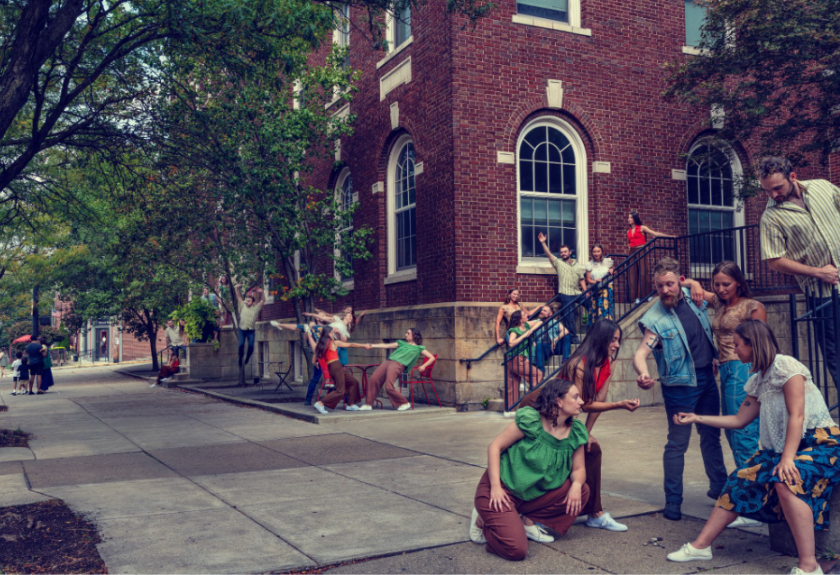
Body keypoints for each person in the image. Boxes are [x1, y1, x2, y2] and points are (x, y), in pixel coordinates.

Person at [667, 320, 840, 575]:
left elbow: (797, 416)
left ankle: (809, 566)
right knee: (739, 478)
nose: (734, 350)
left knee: (785, 479)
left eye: (737, 345)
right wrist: (696, 417)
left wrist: (788, 458)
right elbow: (738, 420)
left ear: (753, 343)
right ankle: (701, 547)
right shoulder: (759, 379)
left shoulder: (786, 366)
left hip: (819, 443)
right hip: (784, 448)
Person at [519, 319, 640, 532]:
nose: (616, 345)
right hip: (541, 408)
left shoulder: (607, 362)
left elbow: (596, 402)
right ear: (601, 338)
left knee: (592, 450)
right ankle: (532, 513)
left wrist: (586, 433)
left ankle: (595, 513)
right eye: (613, 340)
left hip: (564, 413)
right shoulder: (579, 365)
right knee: (545, 459)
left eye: (618, 340)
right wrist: (619, 405)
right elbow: (583, 403)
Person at [633, 257, 728, 521]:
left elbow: (723, 301)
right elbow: (640, 353)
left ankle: (720, 489)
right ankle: (673, 501)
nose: (665, 290)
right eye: (660, 285)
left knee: (711, 437)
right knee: (678, 444)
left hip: (707, 381)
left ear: (680, 281)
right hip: (679, 387)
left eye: (670, 284)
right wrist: (643, 373)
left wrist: (695, 283)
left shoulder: (692, 295)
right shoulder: (653, 319)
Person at [469, 379, 589, 560]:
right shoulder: (532, 421)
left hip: (529, 496)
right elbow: (494, 447)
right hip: (502, 490)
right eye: (575, 397)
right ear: (558, 401)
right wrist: (495, 487)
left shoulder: (576, 431)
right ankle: (483, 521)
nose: (581, 401)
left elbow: (579, 469)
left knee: (582, 491)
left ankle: (523, 520)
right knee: (516, 550)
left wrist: (576, 485)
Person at [757, 156, 840, 390]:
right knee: (836, 356)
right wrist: (818, 273)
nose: (773, 195)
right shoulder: (771, 217)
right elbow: (774, 260)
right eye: (767, 191)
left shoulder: (822, 187)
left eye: (777, 188)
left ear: (792, 177)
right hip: (822, 294)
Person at [684, 262, 767, 471]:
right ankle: (747, 479)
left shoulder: (752, 306)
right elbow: (683, 284)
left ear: (738, 282)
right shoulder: (720, 304)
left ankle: (750, 485)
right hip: (725, 369)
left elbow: (762, 344)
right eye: (717, 284)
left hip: (743, 368)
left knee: (743, 430)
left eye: (726, 284)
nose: (721, 289)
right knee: (732, 428)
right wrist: (694, 282)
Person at [358, 328, 435, 411]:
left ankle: (404, 402)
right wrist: (372, 346)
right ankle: (368, 404)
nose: (406, 334)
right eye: (406, 333)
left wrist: (423, 366)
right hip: (388, 362)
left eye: (408, 333)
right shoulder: (401, 343)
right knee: (373, 379)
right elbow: (386, 346)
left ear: (414, 335)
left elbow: (432, 358)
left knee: (389, 387)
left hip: (398, 365)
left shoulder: (419, 348)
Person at [538, 232, 587, 351]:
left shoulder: (578, 266)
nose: (563, 254)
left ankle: (595, 327)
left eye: (565, 251)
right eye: (561, 252)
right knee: (569, 317)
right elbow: (549, 254)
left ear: (570, 252)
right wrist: (543, 243)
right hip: (566, 294)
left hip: (578, 293)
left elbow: (582, 279)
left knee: (592, 305)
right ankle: (573, 337)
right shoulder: (558, 264)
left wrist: (586, 291)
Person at [311, 327, 370, 414]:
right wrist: (364, 345)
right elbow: (351, 344)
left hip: (333, 367)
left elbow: (313, 361)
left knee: (353, 382)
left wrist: (316, 363)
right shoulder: (334, 342)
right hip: (336, 366)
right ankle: (320, 403)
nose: (333, 334)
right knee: (340, 390)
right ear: (327, 333)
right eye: (332, 333)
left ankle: (350, 405)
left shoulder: (320, 345)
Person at [270, 318, 328, 405]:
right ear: (317, 318)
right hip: (319, 355)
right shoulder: (311, 327)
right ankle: (308, 399)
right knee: (317, 378)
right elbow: (295, 328)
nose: (322, 315)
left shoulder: (329, 327)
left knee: (334, 377)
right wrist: (279, 325)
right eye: (320, 315)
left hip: (330, 354)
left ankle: (338, 398)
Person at [626, 211, 672, 303]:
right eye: (628, 217)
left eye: (631, 217)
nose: (629, 219)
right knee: (632, 275)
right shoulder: (629, 231)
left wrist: (670, 236)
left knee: (643, 273)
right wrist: (629, 252)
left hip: (641, 250)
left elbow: (654, 234)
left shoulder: (642, 228)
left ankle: (645, 296)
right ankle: (635, 298)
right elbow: (628, 243)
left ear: (635, 219)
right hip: (632, 252)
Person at [506, 311, 544, 402]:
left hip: (520, 358)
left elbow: (540, 322)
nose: (527, 315)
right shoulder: (514, 330)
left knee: (514, 384)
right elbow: (511, 343)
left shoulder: (526, 326)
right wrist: (524, 336)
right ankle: (530, 398)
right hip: (515, 358)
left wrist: (531, 330)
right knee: (539, 374)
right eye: (524, 315)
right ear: (519, 319)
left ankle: (511, 409)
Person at [234, 284, 265, 368]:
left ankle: (247, 358)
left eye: (249, 301)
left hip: (251, 331)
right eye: (246, 300)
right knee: (241, 345)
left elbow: (262, 301)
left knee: (251, 346)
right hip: (242, 330)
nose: (246, 302)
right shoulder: (242, 305)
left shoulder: (256, 308)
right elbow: (239, 297)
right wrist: (237, 288)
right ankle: (240, 358)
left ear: (253, 302)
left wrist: (262, 293)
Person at [533, 305, 568, 370]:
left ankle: (565, 360)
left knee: (567, 336)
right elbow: (525, 329)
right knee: (539, 345)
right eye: (542, 310)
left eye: (544, 311)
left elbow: (565, 331)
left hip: (554, 347)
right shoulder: (535, 322)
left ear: (550, 314)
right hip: (543, 348)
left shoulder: (555, 322)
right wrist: (532, 341)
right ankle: (541, 370)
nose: (542, 312)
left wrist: (555, 340)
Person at [585, 245, 615, 321]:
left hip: (607, 287)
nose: (596, 253)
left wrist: (612, 271)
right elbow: (588, 279)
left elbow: (613, 270)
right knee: (596, 309)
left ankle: (607, 327)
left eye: (598, 251)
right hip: (595, 289)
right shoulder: (589, 264)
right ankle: (597, 328)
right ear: (592, 253)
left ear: (601, 252)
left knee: (606, 308)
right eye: (594, 251)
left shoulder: (607, 261)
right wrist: (595, 281)